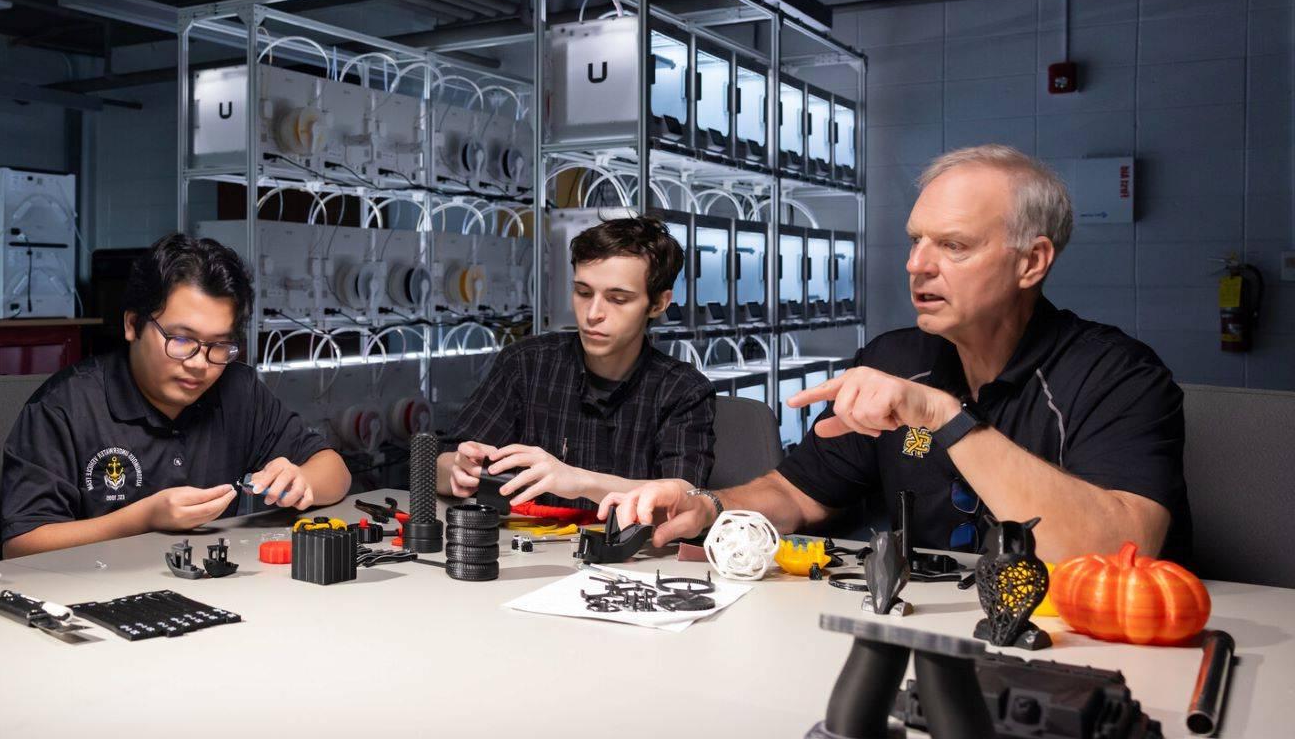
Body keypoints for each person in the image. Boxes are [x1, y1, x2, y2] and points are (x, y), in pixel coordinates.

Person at [599, 144, 1188, 563]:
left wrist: (944, 417)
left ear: (1031, 262)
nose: (917, 265)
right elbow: (794, 495)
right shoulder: (895, 359)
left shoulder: (1117, 375)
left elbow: (1119, 549)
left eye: (953, 246)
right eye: (915, 241)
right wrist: (707, 506)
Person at [0, 233, 350, 555]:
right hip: (92, 594)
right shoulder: (65, 407)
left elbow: (336, 473)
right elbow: (22, 545)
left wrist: (302, 480)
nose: (199, 364)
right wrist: (142, 520)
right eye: (181, 340)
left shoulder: (237, 390)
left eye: (219, 345)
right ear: (132, 324)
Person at [438, 215, 715, 509]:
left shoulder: (684, 390)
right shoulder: (526, 364)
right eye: (583, 292)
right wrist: (458, 469)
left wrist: (578, 481)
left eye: (618, 299)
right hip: (528, 551)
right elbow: (442, 462)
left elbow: (688, 499)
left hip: (634, 555)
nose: (593, 313)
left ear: (658, 303)